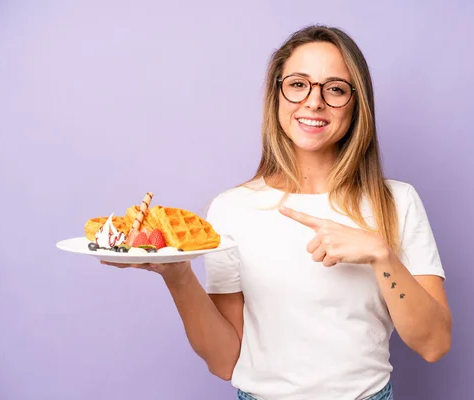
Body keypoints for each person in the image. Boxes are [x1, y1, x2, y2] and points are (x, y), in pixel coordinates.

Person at [102, 24, 451, 400]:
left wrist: (380, 255)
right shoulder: (232, 210)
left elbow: (434, 344)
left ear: (356, 103)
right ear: (277, 95)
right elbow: (224, 362)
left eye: (334, 89)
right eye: (298, 84)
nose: (314, 102)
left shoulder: (397, 202)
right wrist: (179, 277)